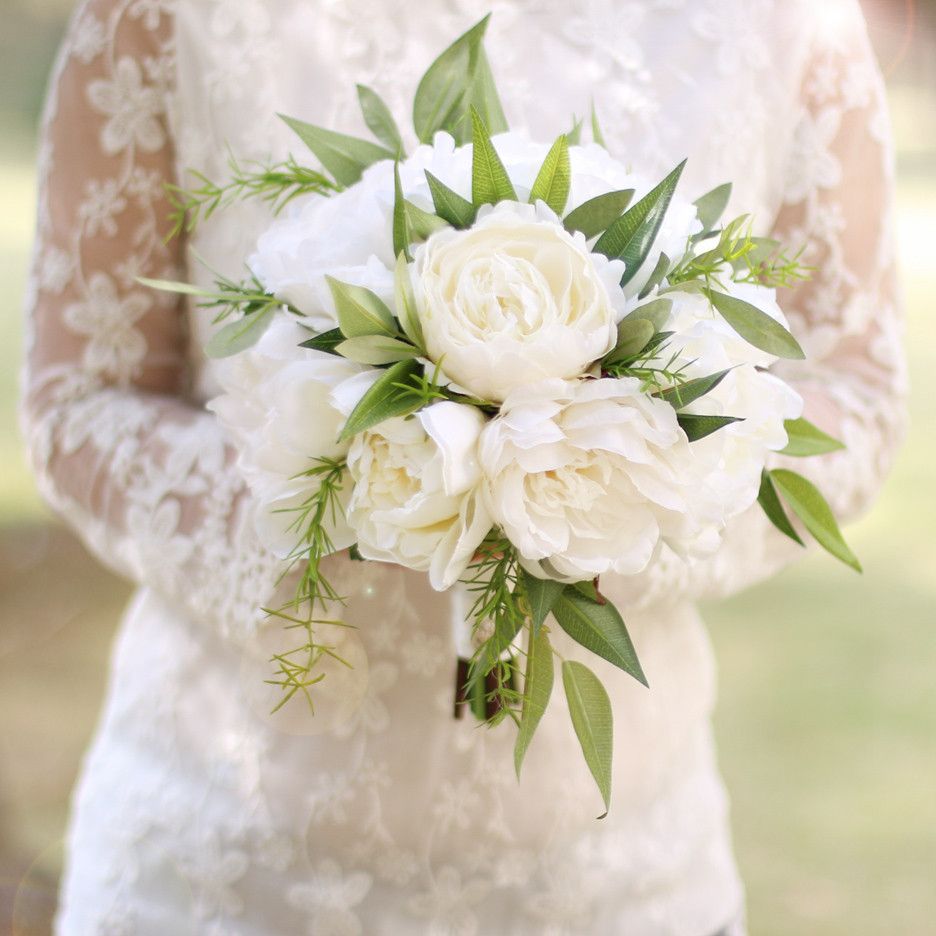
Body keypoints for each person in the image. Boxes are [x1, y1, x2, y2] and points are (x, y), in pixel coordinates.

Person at [21, 1, 905, 933]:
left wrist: (610, 502)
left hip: (618, 884)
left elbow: (852, 389)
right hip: (223, 873)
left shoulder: (783, 22)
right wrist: (344, 496)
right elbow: (80, 398)